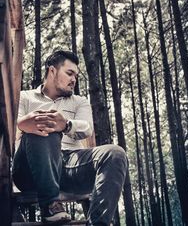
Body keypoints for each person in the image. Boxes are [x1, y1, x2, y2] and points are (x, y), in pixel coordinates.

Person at [12, 50, 128, 226]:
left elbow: (87, 128)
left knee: (115, 153)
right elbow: (9, 130)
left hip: (70, 166)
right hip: (30, 170)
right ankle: (50, 205)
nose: (74, 79)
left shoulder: (79, 102)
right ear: (52, 71)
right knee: (44, 123)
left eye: (76, 75)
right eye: (69, 73)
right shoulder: (24, 97)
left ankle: (98, 223)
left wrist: (65, 124)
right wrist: (23, 124)